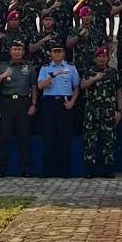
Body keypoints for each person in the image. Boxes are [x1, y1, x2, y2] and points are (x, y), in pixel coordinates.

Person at [0, 40, 37, 177]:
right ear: (10, 52)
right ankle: (1, 169)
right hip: (7, 102)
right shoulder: (4, 66)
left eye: (19, 49)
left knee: (24, 136)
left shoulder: (29, 67)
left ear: (23, 52)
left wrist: (33, 104)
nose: (17, 52)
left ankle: (26, 169)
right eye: (14, 49)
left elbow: (33, 86)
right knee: (4, 136)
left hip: (23, 103)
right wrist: (4, 75)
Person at [36, 43, 79, 177]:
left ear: (64, 53)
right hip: (49, 103)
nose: (57, 54)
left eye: (60, 51)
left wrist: (72, 101)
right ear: (50, 53)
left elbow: (76, 87)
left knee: (64, 137)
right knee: (49, 136)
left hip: (64, 103)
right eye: (55, 51)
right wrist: (53, 76)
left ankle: (64, 170)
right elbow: (40, 86)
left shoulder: (70, 68)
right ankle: (48, 170)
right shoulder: (45, 68)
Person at [81, 46, 122, 178]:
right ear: (95, 58)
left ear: (108, 58)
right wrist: (94, 78)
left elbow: (119, 92)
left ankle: (107, 169)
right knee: (90, 140)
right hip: (92, 110)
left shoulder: (113, 72)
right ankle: (90, 169)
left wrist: (120, 110)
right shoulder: (89, 71)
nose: (102, 59)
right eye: (99, 56)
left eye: (104, 56)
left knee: (109, 140)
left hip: (109, 111)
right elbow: (82, 86)